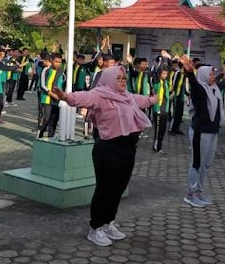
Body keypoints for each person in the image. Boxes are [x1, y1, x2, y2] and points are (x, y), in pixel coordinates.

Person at [52, 65, 156, 246]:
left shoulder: (128, 97)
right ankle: (96, 227)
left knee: (118, 189)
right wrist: (66, 97)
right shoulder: (100, 94)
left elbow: (143, 101)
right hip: (108, 150)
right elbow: (83, 97)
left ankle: (109, 222)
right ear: (109, 79)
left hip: (128, 150)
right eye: (119, 79)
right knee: (105, 189)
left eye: (124, 78)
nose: (123, 82)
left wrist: (154, 98)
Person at [181, 56, 225, 208]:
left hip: (213, 132)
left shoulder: (214, 88)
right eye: (210, 74)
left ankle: (199, 192)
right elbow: (194, 84)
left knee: (206, 164)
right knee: (197, 163)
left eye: (213, 74)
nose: (212, 77)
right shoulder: (199, 90)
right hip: (200, 132)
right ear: (203, 76)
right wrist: (190, 73)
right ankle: (190, 194)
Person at [38, 53, 65, 140]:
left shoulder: (61, 71)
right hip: (47, 98)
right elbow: (42, 85)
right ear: (51, 61)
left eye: (59, 62)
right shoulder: (46, 70)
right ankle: (39, 135)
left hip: (57, 100)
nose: (58, 63)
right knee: (46, 118)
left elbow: (63, 83)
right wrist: (52, 94)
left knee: (54, 119)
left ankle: (51, 137)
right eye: (56, 61)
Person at [151, 67, 171, 155]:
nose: (165, 75)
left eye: (166, 74)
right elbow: (153, 74)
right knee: (158, 130)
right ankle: (156, 147)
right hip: (158, 109)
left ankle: (160, 147)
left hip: (164, 109)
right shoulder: (157, 82)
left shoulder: (166, 83)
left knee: (163, 129)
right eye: (163, 74)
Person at [167, 59, 186, 136]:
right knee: (175, 114)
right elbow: (174, 84)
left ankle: (176, 129)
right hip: (176, 96)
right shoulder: (177, 73)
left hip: (181, 97)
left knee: (180, 114)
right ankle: (172, 129)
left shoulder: (184, 74)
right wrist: (173, 93)